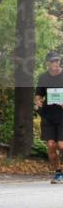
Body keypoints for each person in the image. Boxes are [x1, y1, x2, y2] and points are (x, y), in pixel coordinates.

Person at [35, 51, 63, 184]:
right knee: (51, 145)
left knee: (61, 145)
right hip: (48, 115)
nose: (55, 64)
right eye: (52, 61)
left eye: (57, 61)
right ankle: (58, 173)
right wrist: (38, 102)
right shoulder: (43, 77)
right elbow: (39, 95)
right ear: (47, 63)